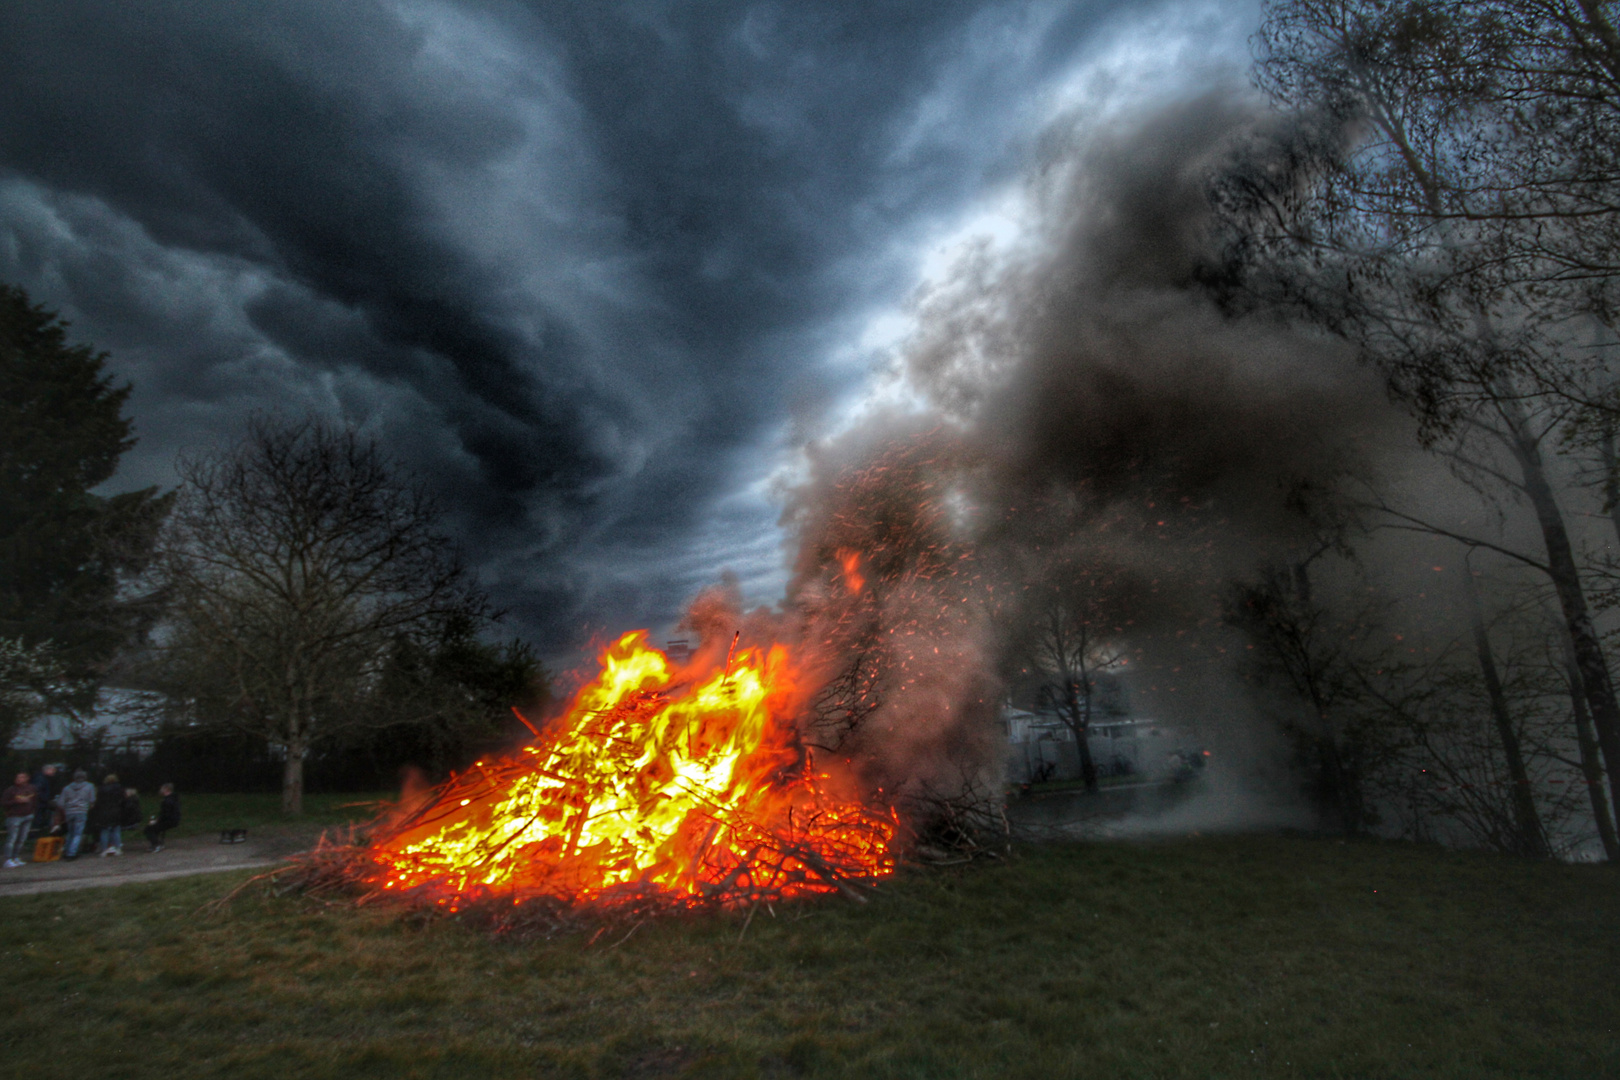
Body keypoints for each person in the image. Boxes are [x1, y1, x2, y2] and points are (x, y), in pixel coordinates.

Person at [57, 769, 96, 859]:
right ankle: (72, 853)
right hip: (81, 811)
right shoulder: (89, 786)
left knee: (70, 832)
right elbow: (92, 800)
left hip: (69, 812)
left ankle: (66, 851)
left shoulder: (66, 788)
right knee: (78, 833)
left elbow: (60, 803)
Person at [2, 772, 39, 867]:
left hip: (28, 815)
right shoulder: (11, 790)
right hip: (15, 816)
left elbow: (35, 800)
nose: (19, 779)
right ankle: (8, 859)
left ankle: (16, 857)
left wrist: (33, 811)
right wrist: (16, 801)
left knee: (22, 838)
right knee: (12, 838)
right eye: (18, 777)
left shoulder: (32, 788)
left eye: (22, 777)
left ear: (27, 778)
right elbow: (4, 802)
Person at [93, 773, 125, 856]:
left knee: (104, 830)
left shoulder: (101, 789)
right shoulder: (119, 788)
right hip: (116, 810)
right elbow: (123, 800)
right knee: (116, 830)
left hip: (104, 811)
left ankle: (104, 849)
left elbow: (97, 801)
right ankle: (118, 848)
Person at [145, 784, 179, 852]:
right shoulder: (173, 798)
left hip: (169, 820)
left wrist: (156, 821)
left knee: (148, 829)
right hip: (173, 819)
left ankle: (156, 845)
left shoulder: (168, 800)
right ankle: (158, 843)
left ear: (166, 789)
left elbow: (166, 814)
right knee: (154, 828)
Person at [30, 764, 58, 833]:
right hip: (39, 804)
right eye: (52, 770)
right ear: (47, 770)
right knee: (37, 819)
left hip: (40, 803)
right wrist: (45, 799)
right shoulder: (40, 778)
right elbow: (37, 790)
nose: (54, 772)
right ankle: (33, 835)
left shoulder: (43, 778)